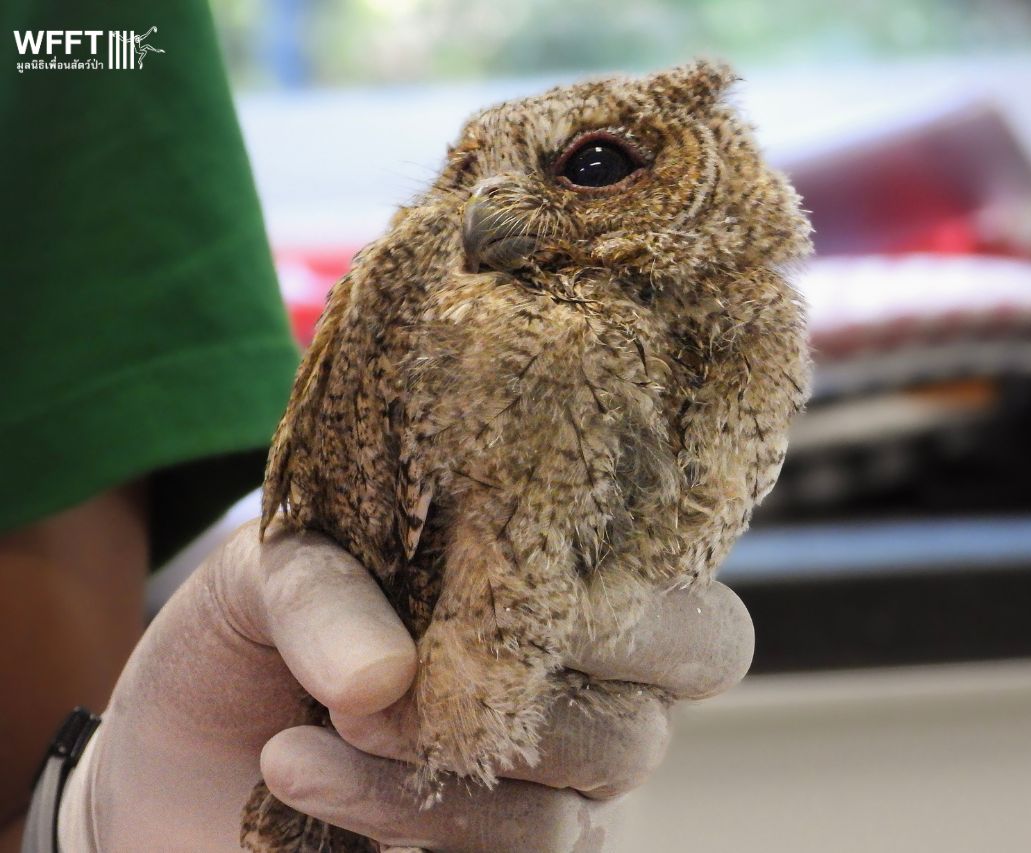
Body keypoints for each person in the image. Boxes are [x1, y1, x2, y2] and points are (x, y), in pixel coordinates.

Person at [0, 0, 755, 849]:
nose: (488, 209)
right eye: (466, 179)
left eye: (595, 166)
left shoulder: (74, 35)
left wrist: (71, 827)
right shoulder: (462, 310)